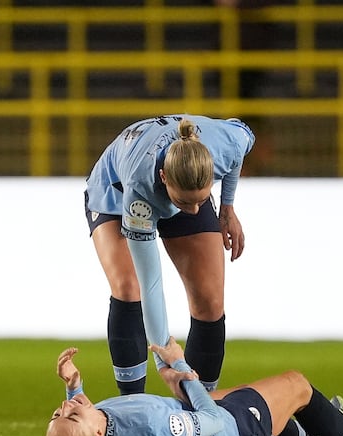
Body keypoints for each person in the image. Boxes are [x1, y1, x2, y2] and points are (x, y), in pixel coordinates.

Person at [37, 338, 343, 436]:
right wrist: (180, 372)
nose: (68, 407)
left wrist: (74, 387)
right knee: (295, 385)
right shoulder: (147, 427)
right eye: (72, 414)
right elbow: (210, 421)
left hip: (210, 430)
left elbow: (79, 431)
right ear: (97, 433)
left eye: (59, 412)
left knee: (261, 401)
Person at [85, 115, 254, 395]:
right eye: (187, 202)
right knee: (130, 287)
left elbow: (242, 140)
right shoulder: (140, 191)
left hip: (172, 184)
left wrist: (227, 206)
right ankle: (134, 407)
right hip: (115, 190)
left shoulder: (225, 144)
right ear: (164, 178)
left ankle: (201, 407)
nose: (196, 212)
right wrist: (167, 361)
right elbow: (152, 283)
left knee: (210, 300)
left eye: (202, 199)